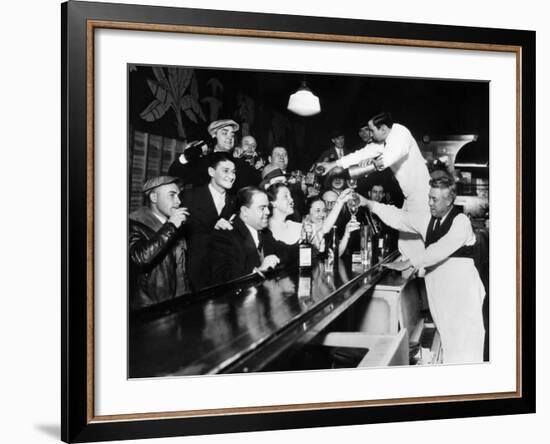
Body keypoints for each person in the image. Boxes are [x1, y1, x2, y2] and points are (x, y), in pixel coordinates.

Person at [364, 170, 486, 363]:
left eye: (434, 199)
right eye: (429, 198)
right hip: (441, 301)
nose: (429, 203)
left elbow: (439, 250)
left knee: (466, 356)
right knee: (449, 351)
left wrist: (410, 262)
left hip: (463, 303)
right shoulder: (429, 220)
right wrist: (369, 204)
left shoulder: (461, 222)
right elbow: (400, 217)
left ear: (449, 201)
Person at [318, 112, 431, 260]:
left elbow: (387, 159)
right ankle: (410, 268)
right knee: (406, 243)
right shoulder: (383, 140)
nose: (369, 135)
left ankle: (421, 272)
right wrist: (333, 164)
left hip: (423, 195)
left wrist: (371, 164)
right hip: (410, 197)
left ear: (383, 129)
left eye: (372, 131)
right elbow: (362, 153)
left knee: (423, 241)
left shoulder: (401, 134)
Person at [129, 176, 190, 309]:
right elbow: (140, 258)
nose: (178, 201)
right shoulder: (134, 223)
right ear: (154, 198)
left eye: (179, 196)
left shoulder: (175, 224)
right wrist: (171, 226)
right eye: (172, 195)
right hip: (149, 308)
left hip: (175, 304)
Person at [181, 153, 236, 291]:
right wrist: (213, 228)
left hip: (224, 275)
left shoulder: (235, 202)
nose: (232, 176)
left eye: (234, 172)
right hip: (195, 273)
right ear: (211, 172)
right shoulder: (190, 196)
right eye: (225, 171)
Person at [206, 187, 280, 285]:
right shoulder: (224, 235)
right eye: (262, 208)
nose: (268, 212)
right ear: (245, 211)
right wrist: (258, 272)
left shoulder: (265, 233)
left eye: (267, 207)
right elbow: (223, 278)